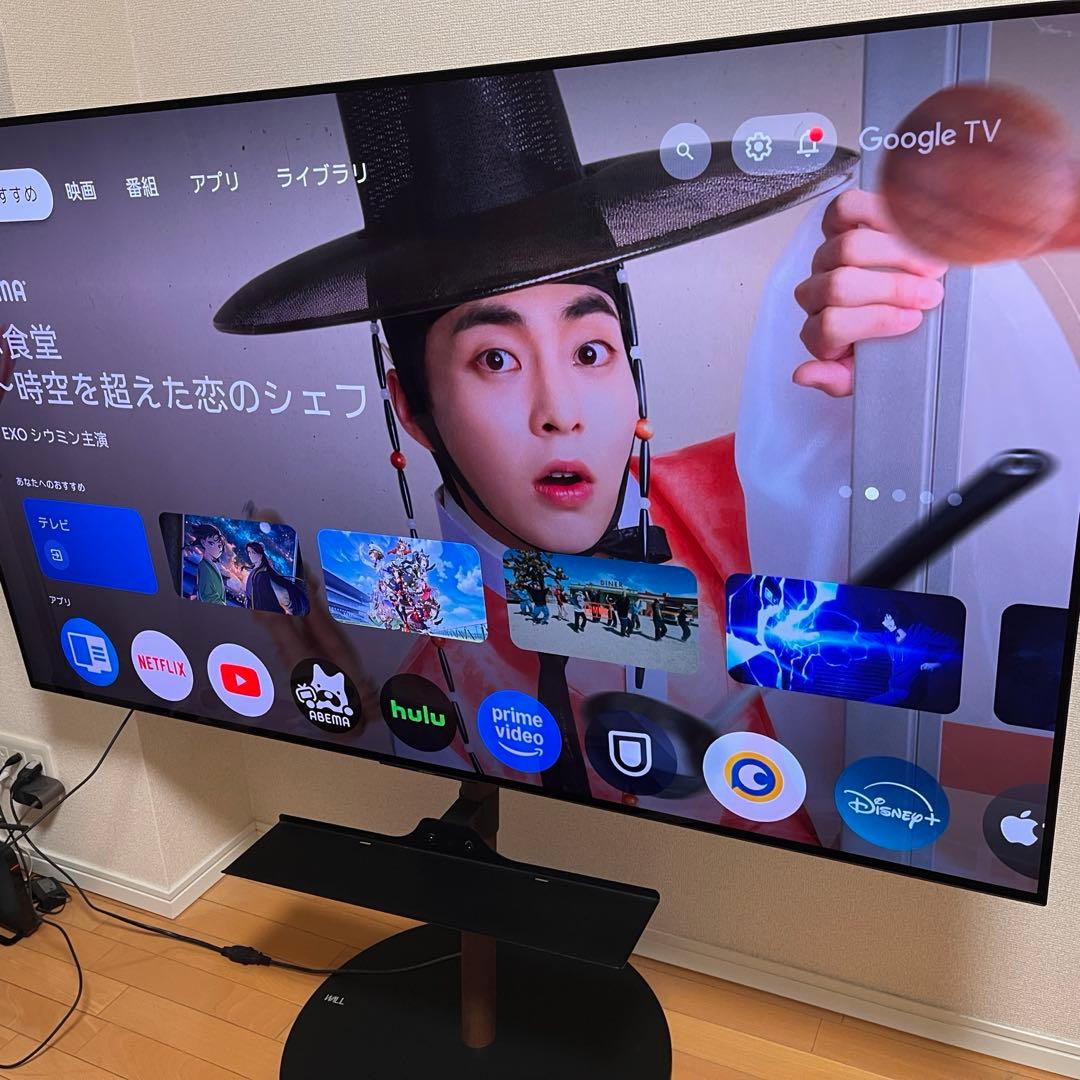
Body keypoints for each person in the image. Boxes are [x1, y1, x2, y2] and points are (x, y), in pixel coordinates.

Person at [215, 72, 954, 843]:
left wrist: (900, 384)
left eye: (591, 350)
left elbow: (923, 706)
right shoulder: (437, 680)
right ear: (414, 410)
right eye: (496, 360)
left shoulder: (761, 494)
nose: (560, 412)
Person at [243, 541, 310, 615]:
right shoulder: (256, 570)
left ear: (261, 555)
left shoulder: (262, 575)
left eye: (253, 552)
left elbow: (264, 601)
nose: (250, 555)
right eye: (249, 552)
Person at [187, 523, 228, 605]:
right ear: (203, 542)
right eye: (212, 543)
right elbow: (209, 598)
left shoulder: (210, 565)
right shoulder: (204, 567)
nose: (218, 548)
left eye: (220, 545)